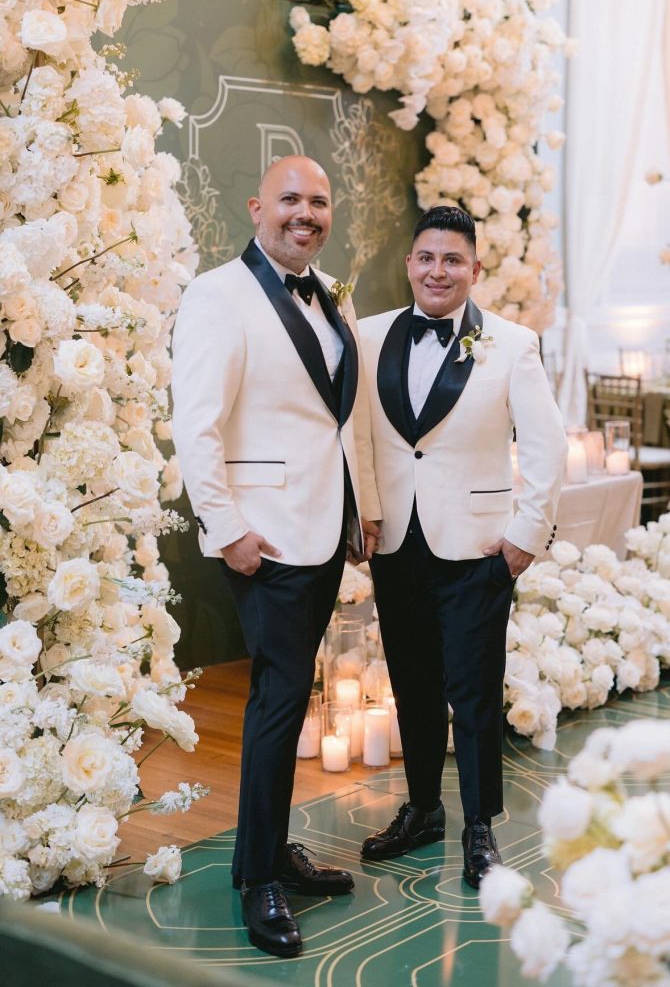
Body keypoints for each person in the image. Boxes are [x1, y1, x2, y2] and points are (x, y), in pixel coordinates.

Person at [171, 156, 380, 958]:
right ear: (257, 206)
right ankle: (258, 875)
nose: (307, 212)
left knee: (290, 702)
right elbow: (196, 425)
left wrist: (361, 511)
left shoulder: (330, 298)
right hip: (262, 537)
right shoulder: (216, 294)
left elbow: (337, 422)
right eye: (291, 199)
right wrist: (227, 530)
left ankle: (268, 850)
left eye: (319, 202)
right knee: (277, 702)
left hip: (322, 530)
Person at [357, 206, 566, 889]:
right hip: (396, 544)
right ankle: (421, 810)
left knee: (473, 694)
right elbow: (356, 438)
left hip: (478, 550)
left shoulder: (511, 344)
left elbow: (545, 447)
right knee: (411, 686)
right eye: (426, 258)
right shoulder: (366, 337)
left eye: (452, 260)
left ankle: (479, 828)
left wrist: (522, 540)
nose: (437, 271)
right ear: (409, 263)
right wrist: (362, 513)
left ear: (474, 270)